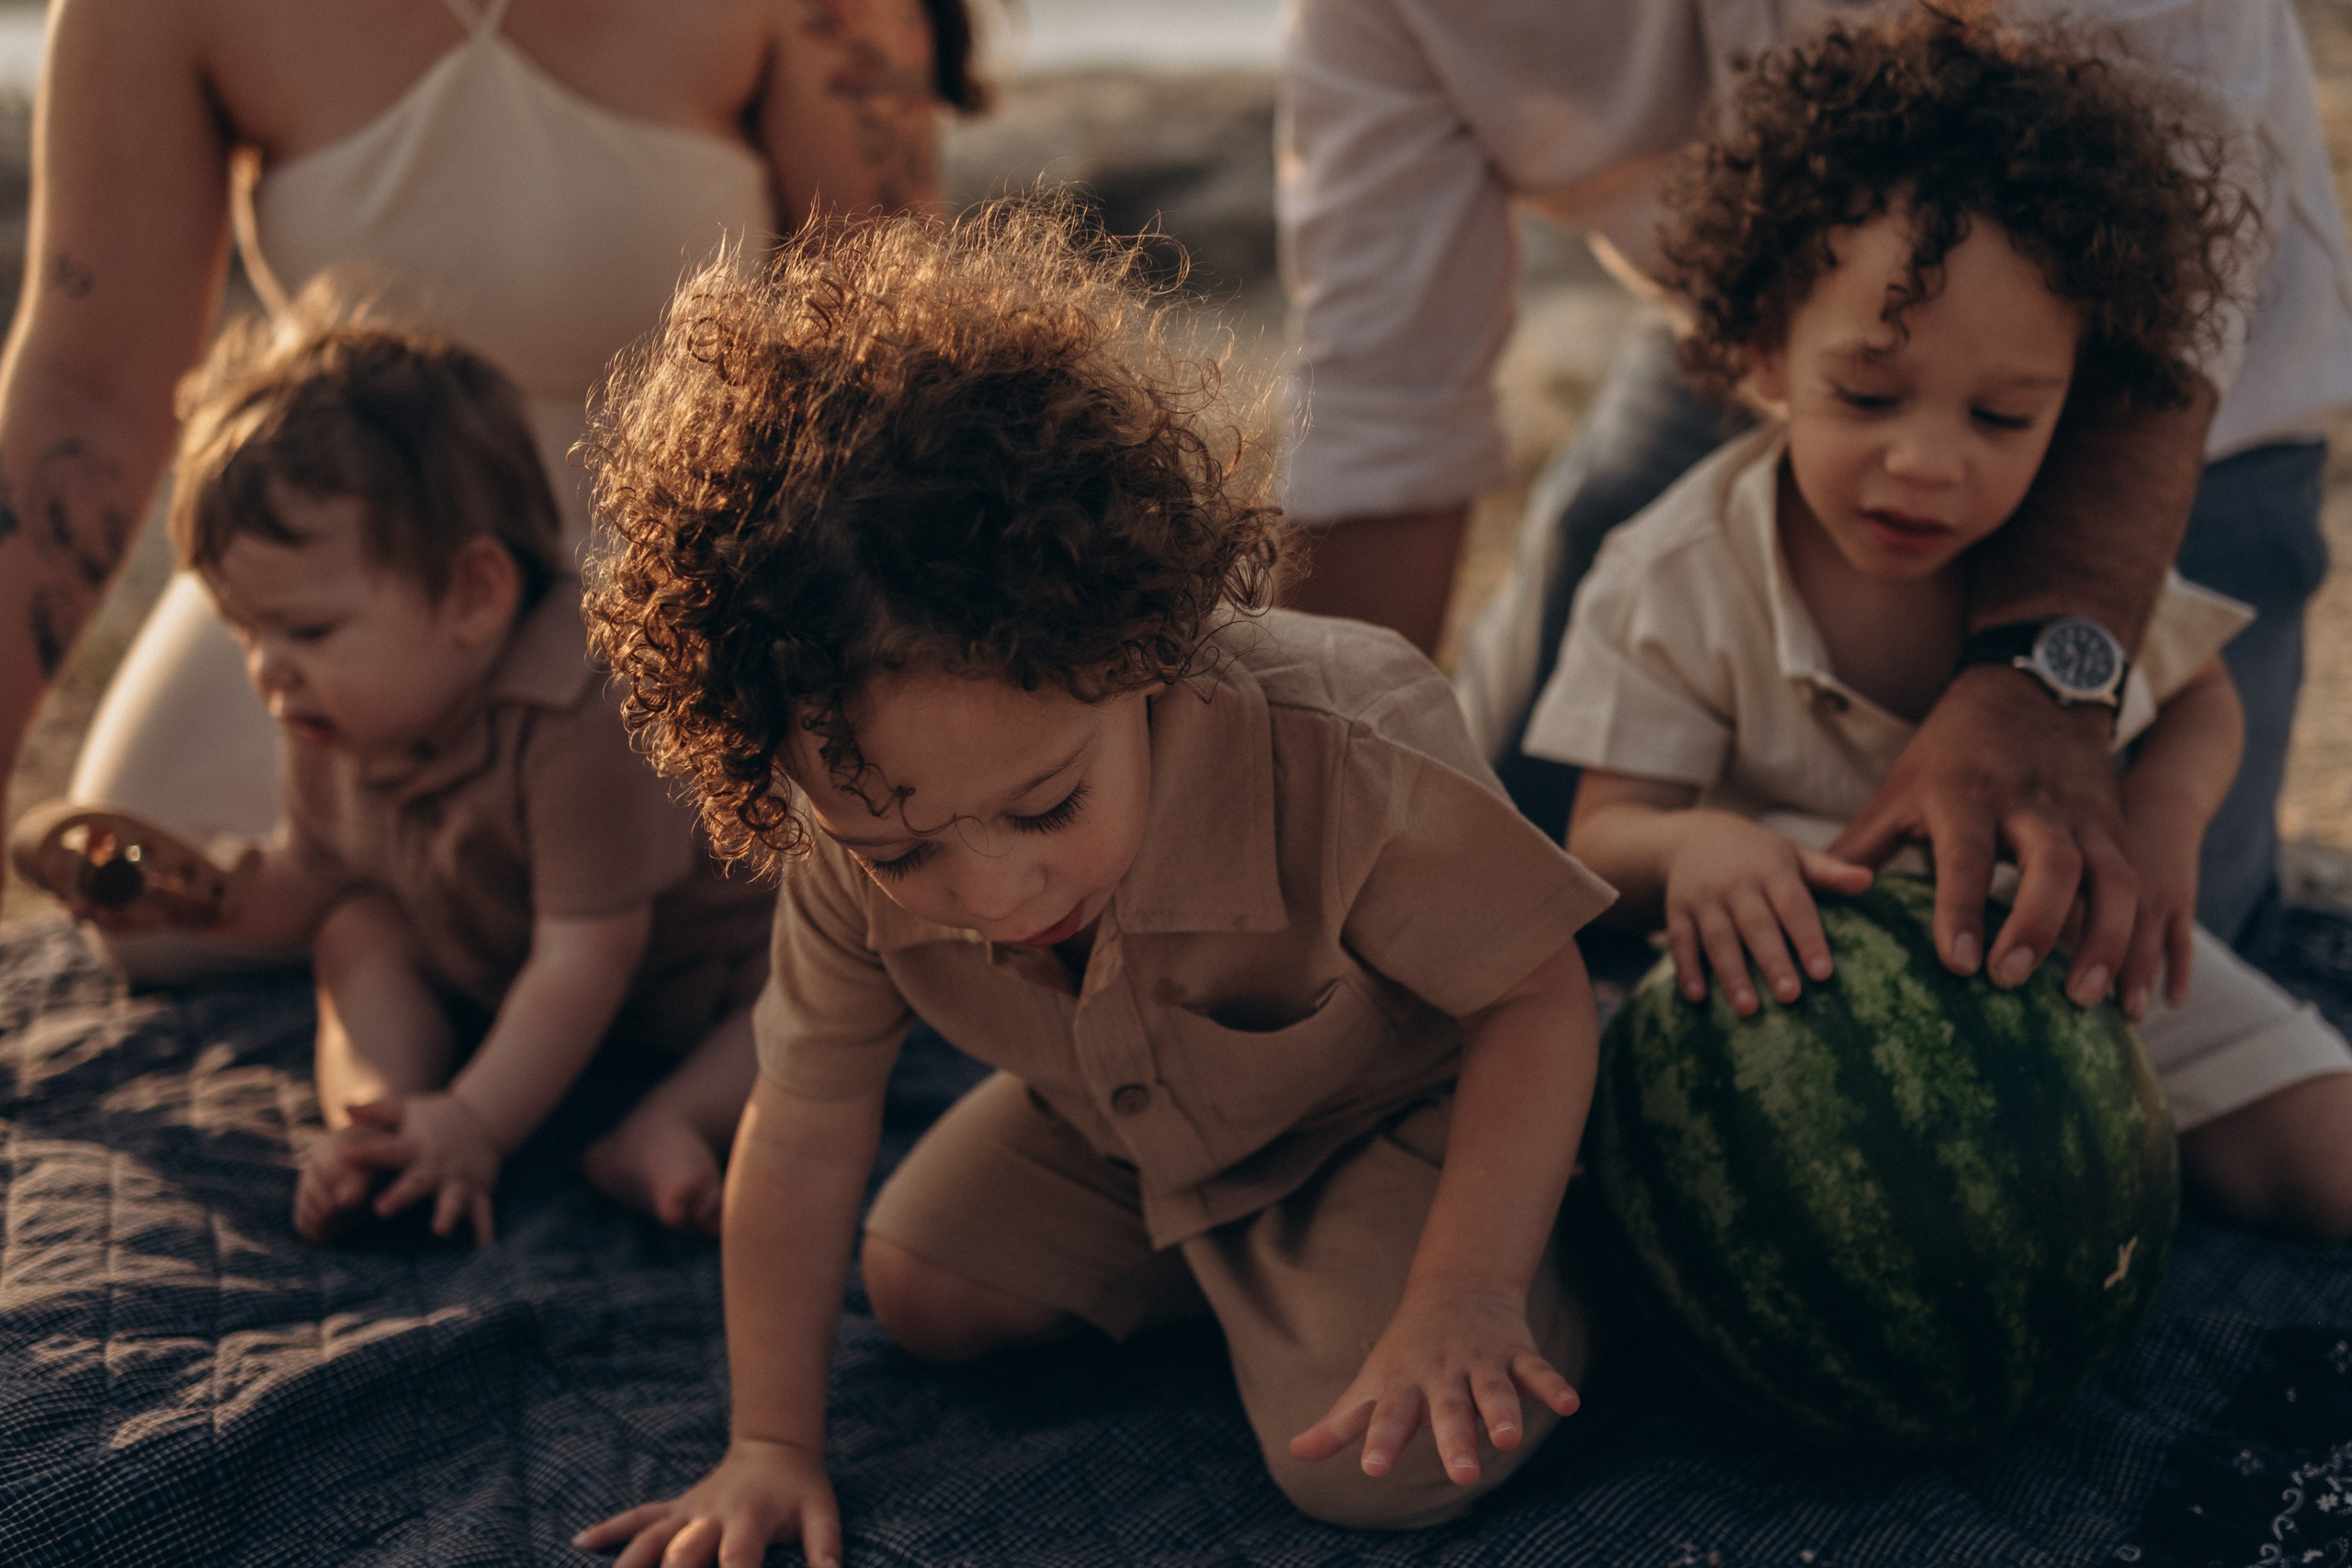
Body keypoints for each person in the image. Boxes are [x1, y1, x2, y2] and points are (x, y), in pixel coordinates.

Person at [571, 205, 1617, 1567]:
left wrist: (1465, 1292)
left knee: (1390, 1472)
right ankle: (1259, 1282)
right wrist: (771, 1440)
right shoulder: (847, 823)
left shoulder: (1350, 743)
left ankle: (1549, 1256)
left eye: (1046, 804)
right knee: (920, 1284)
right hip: (1121, 1135)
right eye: (906, 852)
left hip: (1392, 1117)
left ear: (1147, 642)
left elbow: (1539, 1002)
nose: (996, 890)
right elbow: (808, 1118)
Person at [1277, 0, 2352, 998]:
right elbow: (1380, 412)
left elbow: (2164, 162)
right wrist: (1295, 828)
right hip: (1766, 336)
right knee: (1495, 867)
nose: (1926, 466)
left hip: (2161, 407)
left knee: (2139, 953)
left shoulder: (2115, 349)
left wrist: (2049, 684)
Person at [1547, 10, 2352, 1239]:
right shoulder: (1677, 570)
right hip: (1805, 998)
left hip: (2072, 952)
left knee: (2318, 1147)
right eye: (1869, 394)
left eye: (2003, 417)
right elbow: (1604, 834)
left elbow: (2195, 693)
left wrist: (2167, 818)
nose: (1928, 465)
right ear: (1764, 351)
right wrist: (1698, 847)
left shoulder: (2039, 561)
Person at [0, 0, 977, 966]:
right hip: (350, 569)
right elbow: (86, 397)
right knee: (156, 912)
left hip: (691, 559)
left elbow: (894, 367)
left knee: (847, 881)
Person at [21, 311, 779, 1242]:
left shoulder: (585, 711)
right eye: (246, 631)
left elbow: (586, 962)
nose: (268, 668)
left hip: (685, 978)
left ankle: (670, 1120)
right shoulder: (334, 712)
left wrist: (479, 1125)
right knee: (355, 927)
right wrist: (194, 899)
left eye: (306, 631)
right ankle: (379, 1119)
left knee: (804, 1000)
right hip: (502, 959)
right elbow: (318, 878)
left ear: (474, 593)